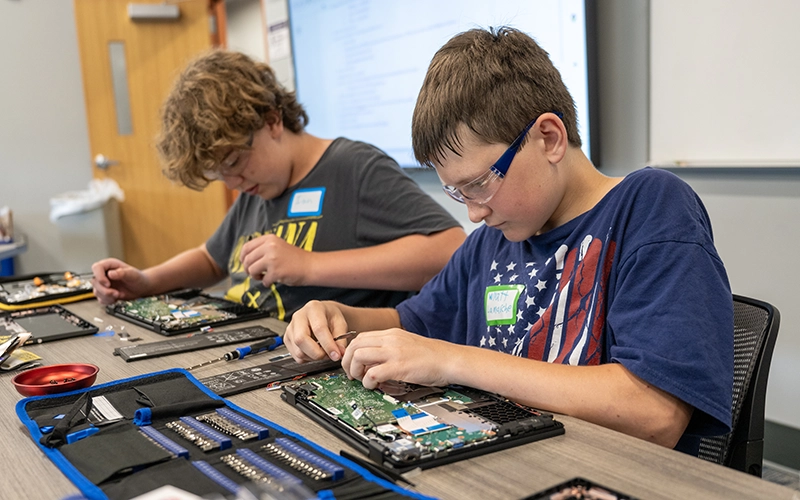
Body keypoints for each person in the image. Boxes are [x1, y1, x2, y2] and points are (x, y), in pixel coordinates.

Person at [284, 27, 734, 455]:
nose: (473, 212)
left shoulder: (650, 206)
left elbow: (654, 413)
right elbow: (413, 324)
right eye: (456, 192)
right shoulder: (490, 243)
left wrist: (452, 361)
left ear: (549, 137)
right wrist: (340, 317)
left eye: (480, 183)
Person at [91, 50, 466, 320]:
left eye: (236, 162)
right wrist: (146, 281)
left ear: (272, 121)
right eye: (220, 175)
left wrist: (309, 267)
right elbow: (211, 258)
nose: (234, 182)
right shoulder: (257, 187)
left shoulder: (354, 168)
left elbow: (450, 251)